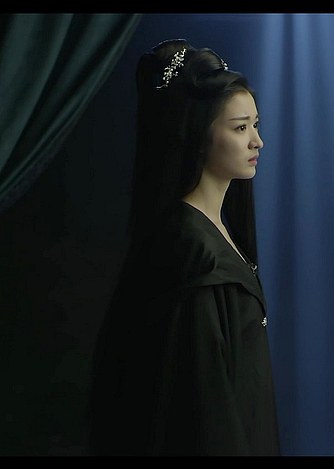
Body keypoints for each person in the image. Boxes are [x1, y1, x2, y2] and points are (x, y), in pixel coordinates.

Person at [88, 39, 280, 456]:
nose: (257, 142)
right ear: (198, 135)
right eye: (240, 128)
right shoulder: (192, 248)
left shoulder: (215, 231)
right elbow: (203, 411)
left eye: (256, 124)